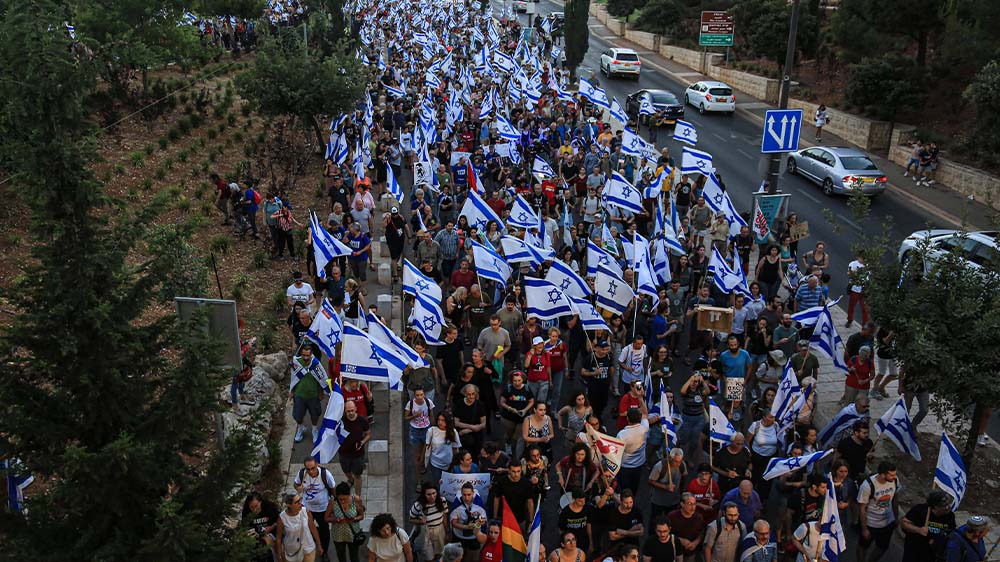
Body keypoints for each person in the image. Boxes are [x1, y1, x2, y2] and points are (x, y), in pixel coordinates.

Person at [856, 461, 900, 562]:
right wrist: (864, 529)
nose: (894, 477)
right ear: (882, 474)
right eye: (891, 475)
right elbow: (862, 509)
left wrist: (896, 517)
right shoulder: (867, 486)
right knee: (863, 546)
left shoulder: (895, 480)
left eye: (895, 474)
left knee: (882, 547)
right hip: (871, 524)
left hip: (887, 524)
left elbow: (895, 498)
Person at [294, 457, 336, 557]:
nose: (311, 471)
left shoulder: (325, 474)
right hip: (307, 507)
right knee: (307, 528)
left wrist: (333, 502)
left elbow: (333, 488)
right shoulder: (302, 473)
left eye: (313, 468)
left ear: (317, 465)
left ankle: (324, 551)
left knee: (324, 530)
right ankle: (312, 545)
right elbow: (296, 484)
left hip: (322, 508)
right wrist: (298, 488)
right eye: (308, 469)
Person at [900, 490, 956, 562]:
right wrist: (918, 530)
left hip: (933, 554)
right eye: (944, 506)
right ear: (935, 506)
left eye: (948, 504)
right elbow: (904, 523)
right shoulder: (920, 510)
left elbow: (951, 532)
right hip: (914, 549)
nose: (948, 507)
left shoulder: (950, 516)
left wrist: (938, 540)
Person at [277, 490, 324, 562]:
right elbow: (278, 538)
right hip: (292, 552)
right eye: (297, 502)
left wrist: (319, 545)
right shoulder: (282, 518)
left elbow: (313, 528)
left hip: (308, 549)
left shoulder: (306, 512)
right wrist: (279, 554)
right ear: (289, 505)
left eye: (300, 500)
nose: (300, 503)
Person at [409, 482, 450, 562]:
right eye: (429, 494)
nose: (432, 497)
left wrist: (447, 531)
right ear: (424, 495)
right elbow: (411, 519)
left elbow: (444, 515)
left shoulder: (442, 501)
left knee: (440, 553)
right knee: (429, 557)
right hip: (426, 532)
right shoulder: (418, 505)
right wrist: (420, 521)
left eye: (434, 493)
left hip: (440, 530)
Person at [499, 371, 535, 456]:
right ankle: (508, 444)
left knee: (519, 435)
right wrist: (510, 408)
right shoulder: (508, 389)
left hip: (522, 417)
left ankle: (517, 452)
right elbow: (502, 402)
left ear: (523, 380)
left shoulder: (527, 388)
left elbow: (531, 401)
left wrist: (525, 410)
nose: (517, 383)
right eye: (515, 381)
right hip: (509, 417)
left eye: (519, 380)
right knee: (509, 433)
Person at [616, 408, 650, 497]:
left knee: (624, 488)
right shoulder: (645, 428)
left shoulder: (622, 434)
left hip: (625, 466)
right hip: (639, 465)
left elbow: (617, 451)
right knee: (634, 486)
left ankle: (625, 501)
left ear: (627, 418)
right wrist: (640, 400)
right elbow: (645, 413)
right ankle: (632, 499)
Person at [649, 449, 687, 524]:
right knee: (655, 520)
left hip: (674, 500)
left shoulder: (682, 465)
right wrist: (665, 487)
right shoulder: (659, 466)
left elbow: (684, 477)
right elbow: (650, 481)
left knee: (671, 520)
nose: (678, 464)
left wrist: (682, 493)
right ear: (670, 458)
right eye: (676, 461)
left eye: (680, 461)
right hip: (658, 501)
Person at [330, 482, 366, 562]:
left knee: (354, 557)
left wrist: (354, 519)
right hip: (338, 534)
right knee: (341, 556)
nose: (342, 501)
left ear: (349, 495)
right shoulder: (333, 501)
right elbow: (326, 518)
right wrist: (335, 520)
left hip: (353, 533)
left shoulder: (356, 500)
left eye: (345, 499)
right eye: (340, 499)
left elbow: (361, 515)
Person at [493, 463, 536, 529]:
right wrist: (495, 518)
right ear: (509, 471)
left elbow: (530, 502)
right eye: (513, 471)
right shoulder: (502, 481)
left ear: (521, 470)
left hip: (520, 519)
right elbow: (496, 499)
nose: (516, 474)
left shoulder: (526, 483)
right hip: (504, 518)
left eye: (518, 471)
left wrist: (531, 521)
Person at [241, 491, 281, 562]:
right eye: (252, 507)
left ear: (260, 502)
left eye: (256, 506)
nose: (254, 509)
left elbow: (280, 520)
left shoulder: (269, 506)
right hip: (256, 536)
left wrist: (271, 527)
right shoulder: (246, 512)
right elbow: (245, 526)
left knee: (263, 546)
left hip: (271, 533)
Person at [668, 493, 706, 562]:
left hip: (690, 553)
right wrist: (679, 540)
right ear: (682, 504)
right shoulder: (672, 516)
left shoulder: (698, 517)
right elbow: (664, 533)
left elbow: (702, 533)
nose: (693, 507)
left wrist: (695, 543)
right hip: (673, 552)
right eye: (689, 504)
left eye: (694, 504)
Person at [452, 483, 488, 553]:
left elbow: (484, 521)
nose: (466, 498)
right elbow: (453, 523)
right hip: (459, 535)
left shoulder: (478, 504)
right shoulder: (457, 504)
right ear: (461, 493)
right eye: (464, 495)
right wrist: (467, 527)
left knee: (473, 555)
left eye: (469, 495)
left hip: (474, 536)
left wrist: (477, 524)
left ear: (473, 493)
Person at [425, 412, 461, 483]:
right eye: (439, 420)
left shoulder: (453, 432)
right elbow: (427, 447)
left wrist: (456, 462)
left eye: (443, 420)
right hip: (435, 463)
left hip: (449, 464)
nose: (440, 422)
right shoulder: (431, 431)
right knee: (438, 484)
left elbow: (455, 449)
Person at [405, 388, 434, 472]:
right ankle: (418, 468)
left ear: (424, 394)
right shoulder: (410, 403)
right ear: (414, 396)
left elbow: (431, 415)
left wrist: (433, 428)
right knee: (417, 453)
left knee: (425, 450)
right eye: (417, 395)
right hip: (415, 430)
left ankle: (422, 464)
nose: (420, 397)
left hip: (426, 429)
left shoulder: (428, 402)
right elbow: (406, 417)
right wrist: (415, 415)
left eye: (421, 395)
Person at [559, 489, 596, 555]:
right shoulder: (565, 512)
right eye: (580, 501)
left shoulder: (587, 509)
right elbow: (561, 530)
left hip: (584, 541)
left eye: (584, 500)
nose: (583, 503)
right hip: (571, 542)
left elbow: (588, 525)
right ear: (574, 499)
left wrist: (591, 543)